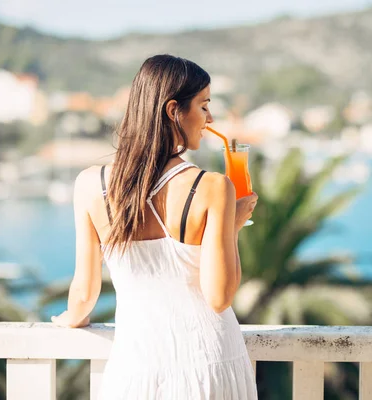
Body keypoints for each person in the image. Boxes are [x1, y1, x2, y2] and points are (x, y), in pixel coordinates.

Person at [51, 54, 259, 399]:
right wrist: (232, 227)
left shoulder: (90, 185)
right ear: (173, 110)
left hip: (135, 366)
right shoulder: (213, 187)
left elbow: (84, 293)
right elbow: (219, 297)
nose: (210, 118)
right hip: (210, 365)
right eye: (204, 106)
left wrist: (69, 320)